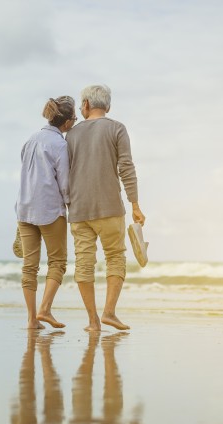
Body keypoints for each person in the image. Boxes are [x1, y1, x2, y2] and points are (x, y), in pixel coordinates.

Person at [65, 85, 145, 331]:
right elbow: (126, 168)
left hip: (79, 209)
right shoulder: (116, 128)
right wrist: (135, 204)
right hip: (110, 206)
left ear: (86, 105)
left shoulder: (71, 135)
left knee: (84, 262)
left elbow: (63, 173)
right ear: (107, 106)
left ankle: (93, 321)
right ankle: (109, 313)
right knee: (115, 258)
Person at [15, 96, 76, 330]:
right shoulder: (59, 145)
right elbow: (64, 183)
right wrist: (71, 205)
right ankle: (45, 309)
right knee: (58, 262)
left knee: (30, 266)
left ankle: (32, 320)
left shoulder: (30, 139)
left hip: (24, 208)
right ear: (68, 122)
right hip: (49, 209)